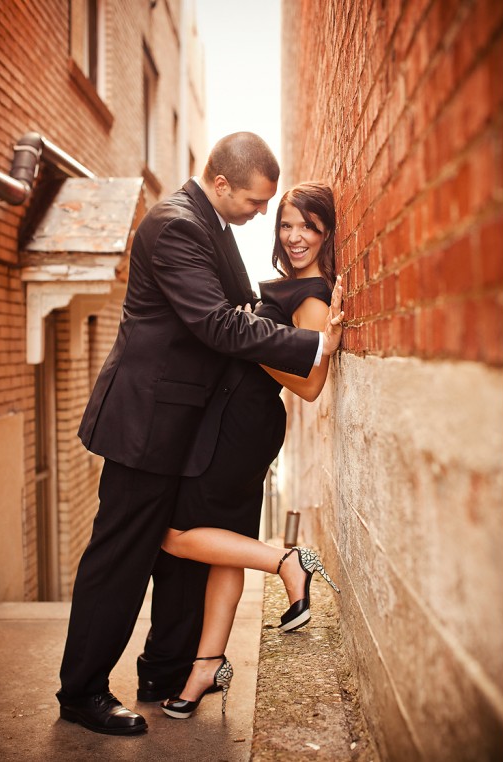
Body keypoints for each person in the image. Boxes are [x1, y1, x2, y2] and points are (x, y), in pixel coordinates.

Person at [58, 134, 343, 736]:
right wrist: (313, 342)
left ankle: (165, 673)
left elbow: (236, 312)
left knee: (178, 560)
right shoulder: (176, 225)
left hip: (189, 425)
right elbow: (217, 324)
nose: (263, 215)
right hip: (146, 422)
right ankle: (81, 691)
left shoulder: (207, 225)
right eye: (257, 201)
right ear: (220, 185)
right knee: (121, 559)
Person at [156, 182, 341, 719]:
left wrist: (243, 336)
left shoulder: (311, 295)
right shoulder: (288, 286)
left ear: (326, 233)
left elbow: (309, 385)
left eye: (309, 226)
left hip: (244, 424)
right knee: (225, 544)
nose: (296, 236)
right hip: (233, 418)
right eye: (287, 224)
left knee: (174, 536)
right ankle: (206, 666)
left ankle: (287, 561)